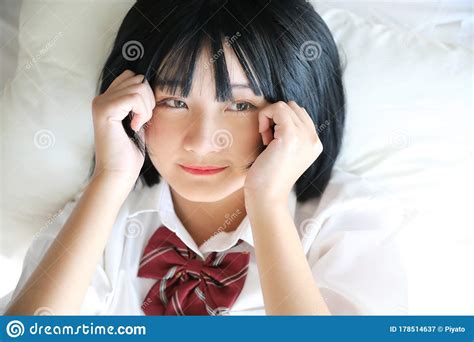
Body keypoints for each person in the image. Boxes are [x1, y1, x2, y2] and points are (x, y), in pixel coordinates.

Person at [2, 0, 407, 315]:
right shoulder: (103, 218)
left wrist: (266, 205)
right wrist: (110, 177)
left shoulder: (349, 221)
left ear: (294, 112)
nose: (199, 141)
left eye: (240, 106)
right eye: (175, 101)